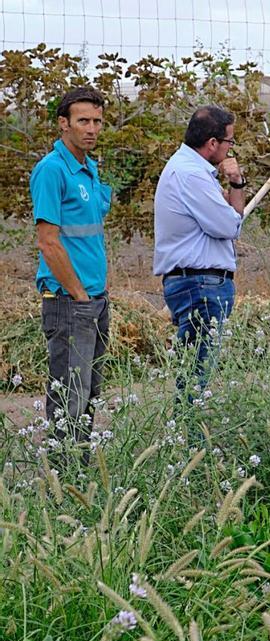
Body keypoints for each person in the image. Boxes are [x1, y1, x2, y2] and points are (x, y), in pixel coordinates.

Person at [31, 87, 111, 464]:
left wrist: (94, 297)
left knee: (90, 393)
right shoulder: (52, 170)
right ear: (64, 123)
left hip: (95, 299)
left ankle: (80, 475)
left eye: (96, 121)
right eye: (83, 121)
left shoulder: (89, 169)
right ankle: (63, 479)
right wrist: (79, 296)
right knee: (69, 396)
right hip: (70, 302)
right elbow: (49, 242)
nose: (91, 129)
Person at [154, 106, 246, 397]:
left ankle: (190, 436)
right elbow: (230, 224)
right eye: (230, 141)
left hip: (198, 284)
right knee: (196, 377)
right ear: (212, 143)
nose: (231, 148)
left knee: (197, 373)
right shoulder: (190, 175)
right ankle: (189, 439)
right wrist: (236, 183)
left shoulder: (189, 170)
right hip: (200, 286)